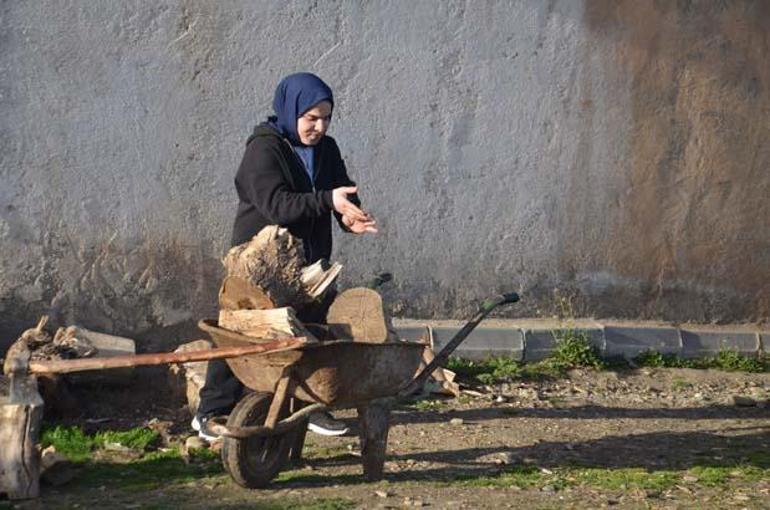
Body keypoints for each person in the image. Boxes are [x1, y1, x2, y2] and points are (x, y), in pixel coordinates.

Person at [192, 72, 377, 441]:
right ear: (291, 112)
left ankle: (303, 408)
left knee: (305, 335)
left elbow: (340, 191)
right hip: (260, 262)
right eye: (311, 118)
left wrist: (348, 215)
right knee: (239, 336)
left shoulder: (327, 149)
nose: (319, 127)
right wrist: (328, 201)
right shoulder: (264, 149)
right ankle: (211, 412)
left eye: (326, 117)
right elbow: (276, 205)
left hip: (307, 265)